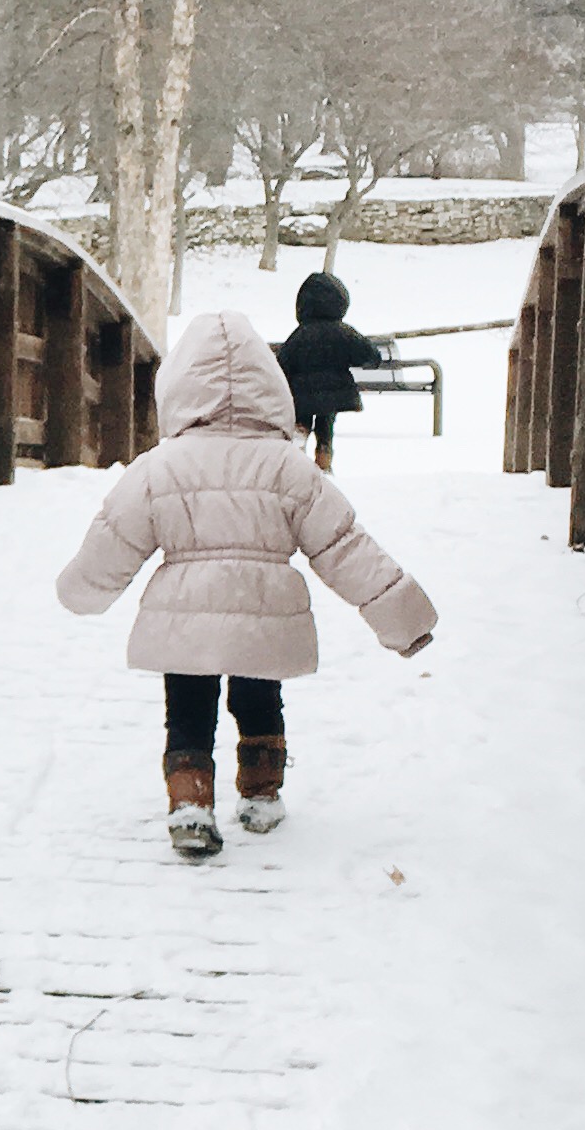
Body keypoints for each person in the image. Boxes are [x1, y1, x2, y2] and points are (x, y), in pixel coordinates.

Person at [56, 306, 436, 858]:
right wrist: (402, 617)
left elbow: (114, 538)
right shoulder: (289, 467)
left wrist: (81, 589)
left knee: (187, 709)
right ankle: (261, 794)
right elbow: (343, 546)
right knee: (260, 700)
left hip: (184, 616)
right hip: (265, 609)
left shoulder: (160, 468)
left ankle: (190, 802)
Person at [271, 267, 382, 469]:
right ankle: (324, 456)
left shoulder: (300, 335)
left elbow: (283, 364)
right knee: (326, 422)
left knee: (302, 419)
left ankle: (298, 450)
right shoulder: (344, 333)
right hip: (334, 393)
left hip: (302, 395)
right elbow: (370, 355)